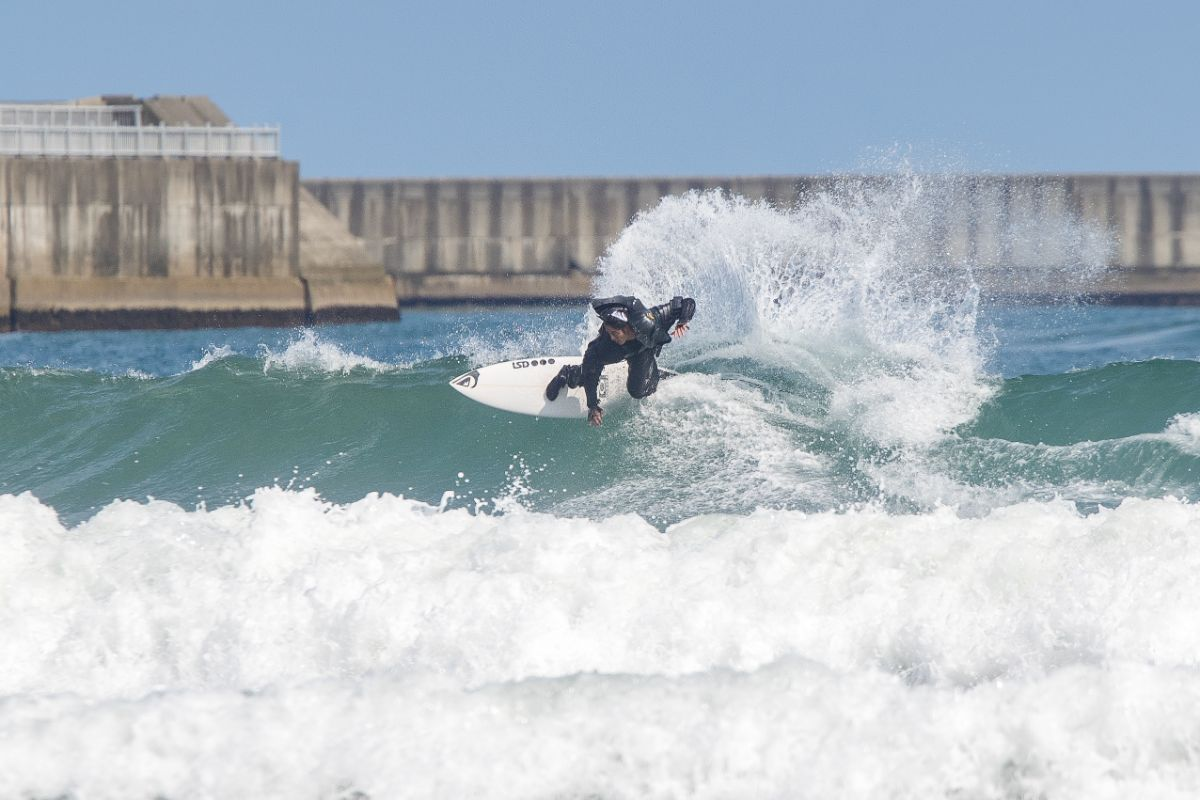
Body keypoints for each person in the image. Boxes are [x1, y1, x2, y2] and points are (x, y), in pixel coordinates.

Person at [545, 294, 696, 426]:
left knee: (637, 392)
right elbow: (591, 374)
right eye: (608, 332)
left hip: (643, 351)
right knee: (587, 372)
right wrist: (593, 406)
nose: (611, 337)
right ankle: (567, 373)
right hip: (622, 352)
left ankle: (654, 374)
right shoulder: (607, 346)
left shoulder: (650, 320)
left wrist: (683, 320)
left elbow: (686, 303)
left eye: (614, 333)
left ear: (626, 328)